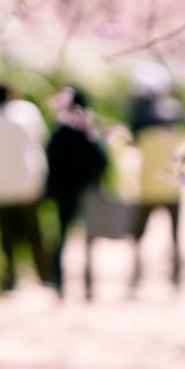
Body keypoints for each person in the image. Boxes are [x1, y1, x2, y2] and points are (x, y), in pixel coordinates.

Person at [0, 82, 53, 292]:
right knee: (34, 233)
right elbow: (40, 140)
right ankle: (44, 274)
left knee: (6, 236)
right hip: (27, 182)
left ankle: (9, 278)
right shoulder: (26, 112)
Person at [126, 60, 185, 290]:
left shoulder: (139, 121)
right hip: (172, 186)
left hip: (147, 186)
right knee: (174, 236)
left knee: (139, 236)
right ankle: (176, 278)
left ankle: (135, 277)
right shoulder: (174, 113)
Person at [44, 87, 109, 298]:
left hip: (64, 191)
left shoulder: (59, 131)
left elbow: (49, 160)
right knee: (88, 239)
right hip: (87, 190)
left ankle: (59, 282)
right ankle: (89, 284)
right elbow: (102, 161)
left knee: (62, 236)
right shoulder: (89, 131)